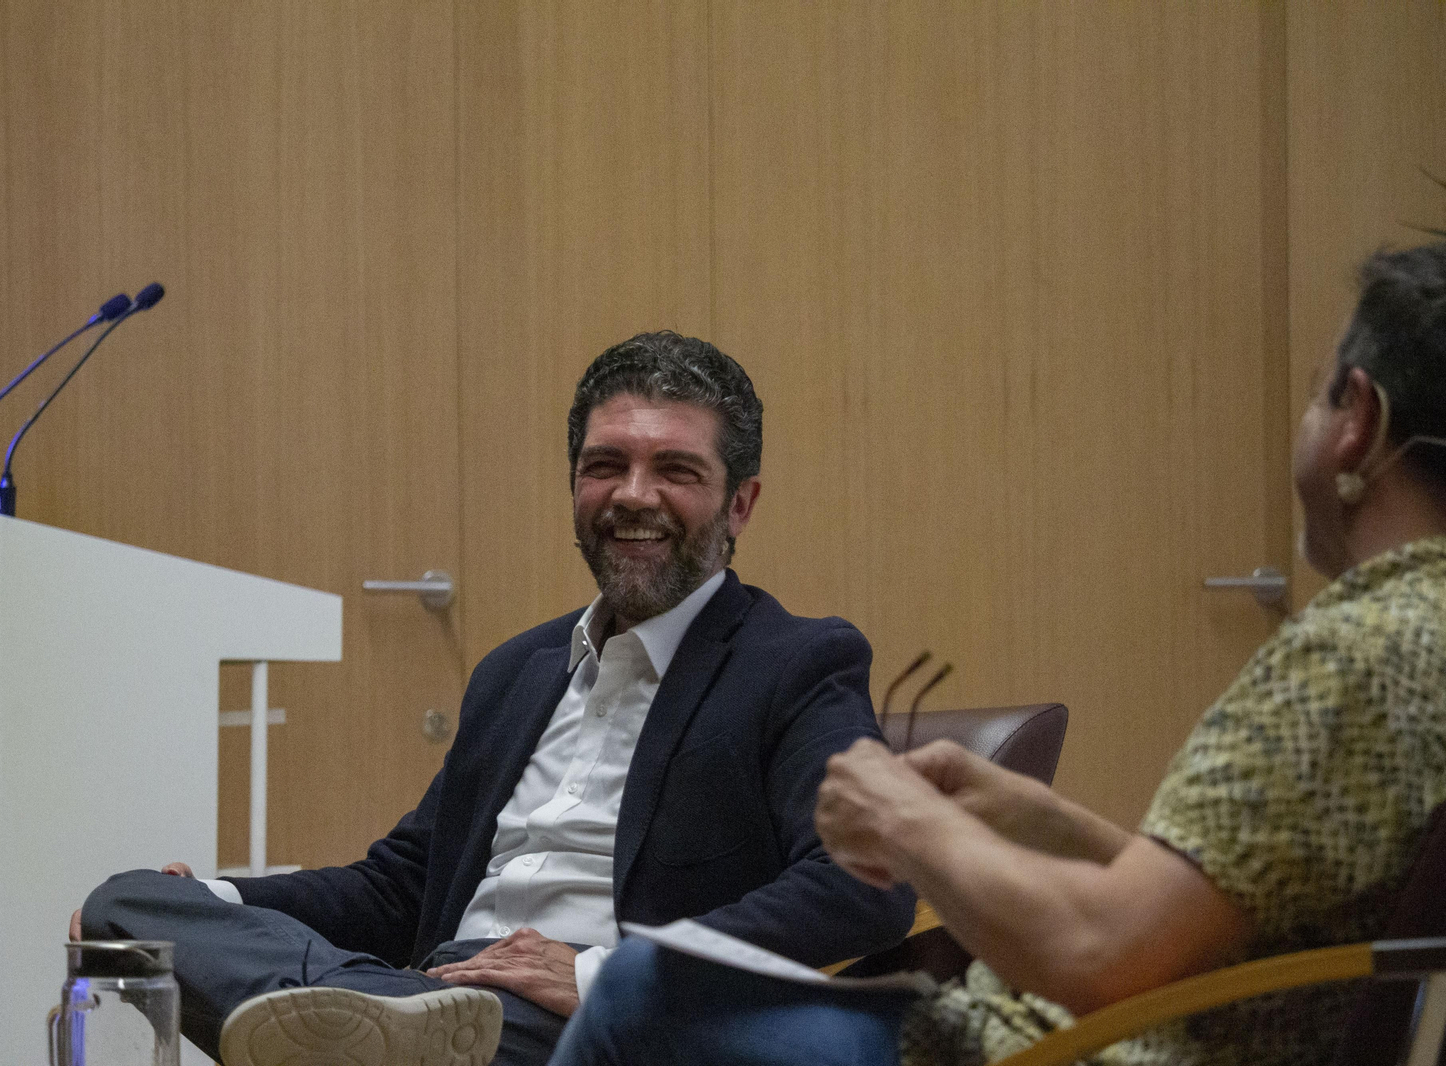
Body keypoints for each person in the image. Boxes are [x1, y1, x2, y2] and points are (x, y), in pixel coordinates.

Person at [546, 244, 1446, 1066]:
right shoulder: (1421, 637)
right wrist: (1035, 821)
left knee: (637, 995)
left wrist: (905, 821)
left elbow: (1099, 954)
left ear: (1358, 421)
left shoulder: (1351, 655)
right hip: (1140, 1023)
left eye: (1315, 390)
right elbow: (1223, 913)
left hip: (1077, 1049)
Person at [75, 331, 918, 1066]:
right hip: (432, 986)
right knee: (130, 904)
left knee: (407, 1018)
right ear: (575, 487)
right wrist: (217, 898)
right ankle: (366, 1025)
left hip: (591, 1026)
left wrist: (601, 973)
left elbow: (861, 884)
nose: (632, 494)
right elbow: (399, 888)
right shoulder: (518, 670)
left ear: (740, 503)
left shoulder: (797, 662)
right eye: (605, 465)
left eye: (676, 470)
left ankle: (366, 1030)